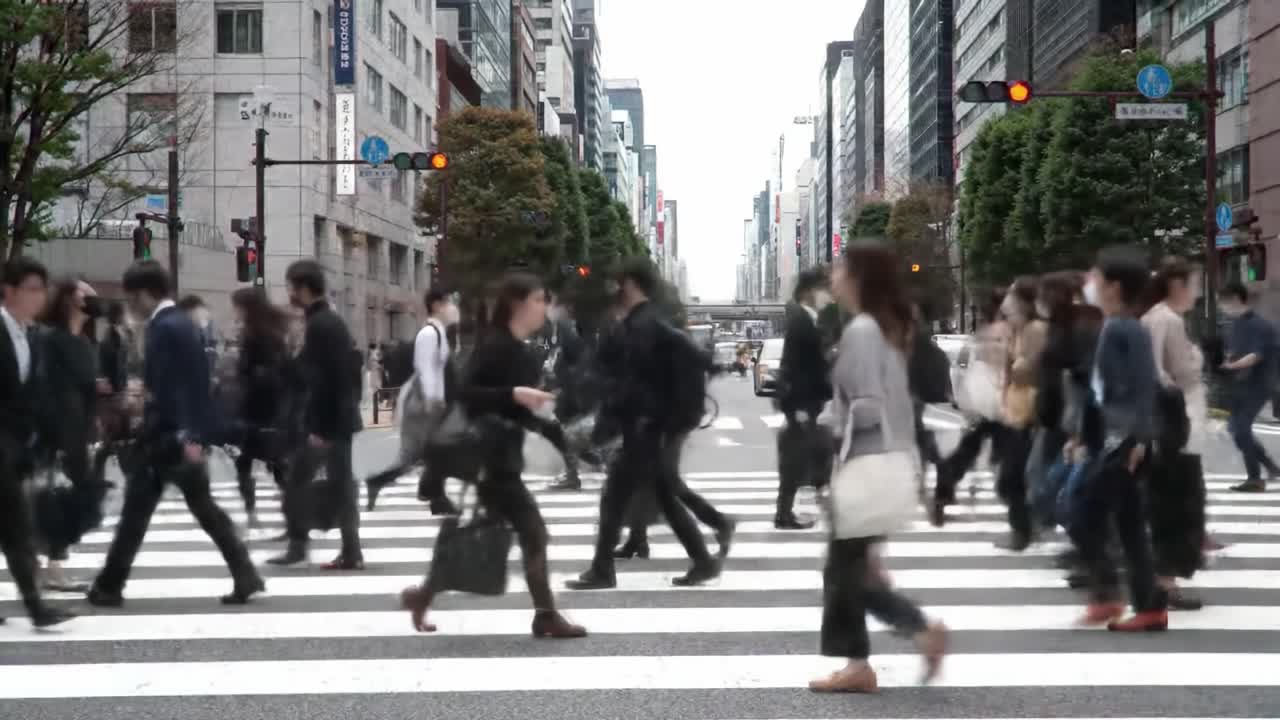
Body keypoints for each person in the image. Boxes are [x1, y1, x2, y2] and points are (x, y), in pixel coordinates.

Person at [400, 272, 586, 639]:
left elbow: (518, 412)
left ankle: (424, 593)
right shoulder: (496, 345)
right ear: (517, 304)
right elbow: (468, 396)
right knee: (533, 533)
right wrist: (513, 394)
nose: (543, 308)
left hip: (500, 458)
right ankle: (545, 615)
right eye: (537, 300)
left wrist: (560, 435)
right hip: (489, 461)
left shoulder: (521, 352)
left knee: (486, 533)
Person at [809, 242, 946, 693]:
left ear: (858, 278)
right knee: (854, 569)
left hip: (866, 462)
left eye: (839, 268)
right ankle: (896, 641)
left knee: (843, 572)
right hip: (888, 461)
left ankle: (871, 658)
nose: (833, 276)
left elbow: (865, 406)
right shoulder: (885, 328)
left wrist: (839, 466)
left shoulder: (864, 331)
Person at [87, 260, 263, 607]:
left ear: (147, 293)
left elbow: (169, 389)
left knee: (138, 514)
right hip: (181, 434)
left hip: (167, 437)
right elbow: (194, 384)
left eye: (133, 297)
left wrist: (165, 427)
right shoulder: (180, 323)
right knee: (198, 509)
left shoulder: (164, 327)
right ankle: (245, 573)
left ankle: (109, 585)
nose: (131, 305)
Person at [567, 258, 730, 590]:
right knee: (664, 496)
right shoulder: (647, 322)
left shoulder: (643, 327)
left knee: (616, 497)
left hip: (645, 428)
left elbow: (635, 383)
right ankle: (702, 559)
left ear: (630, 283)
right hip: (649, 428)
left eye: (617, 282)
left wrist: (614, 411)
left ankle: (603, 569)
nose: (613, 288)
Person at [1071, 246, 1168, 632]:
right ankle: (1146, 606)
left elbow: (1144, 386)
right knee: (1127, 525)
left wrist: (1139, 440)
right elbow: (1102, 390)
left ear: (1112, 286)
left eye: (1095, 277)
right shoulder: (1115, 325)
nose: (1089, 284)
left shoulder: (1126, 327)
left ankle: (1112, 594)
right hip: (1115, 439)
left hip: (1125, 442)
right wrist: (1083, 432)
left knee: (1082, 513)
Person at [269, 259, 364, 569]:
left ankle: (301, 546)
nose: (290, 294)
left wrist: (321, 428)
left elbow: (331, 378)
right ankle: (350, 551)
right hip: (336, 420)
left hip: (329, 423)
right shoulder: (325, 321)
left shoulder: (323, 324)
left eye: (292, 287)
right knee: (340, 485)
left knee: (299, 481)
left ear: (305, 288)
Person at [0, 257, 75, 628]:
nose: (39, 297)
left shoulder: (29, 335)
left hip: (15, 448)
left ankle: (35, 607)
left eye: (42, 290)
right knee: (16, 527)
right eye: (31, 289)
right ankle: (36, 607)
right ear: (9, 291)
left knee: (14, 529)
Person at [33, 278, 106, 592]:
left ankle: (48, 566)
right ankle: (47, 567)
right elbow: (48, 389)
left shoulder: (85, 342)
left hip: (77, 432)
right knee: (55, 501)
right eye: (84, 294)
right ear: (67, 299)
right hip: (55, 432)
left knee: (67, 502)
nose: (91, 298)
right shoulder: (51, 340)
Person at [1141, 258, 1207, 610]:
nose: (1197, 292)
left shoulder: (1153, 317)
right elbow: (1162, 373)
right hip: (1174, 428)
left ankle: (1162, 578)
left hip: (1165, 427)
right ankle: (1165, 583)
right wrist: (1193, 367)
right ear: (1177, 285)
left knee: (1166, 503)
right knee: (1178, 505)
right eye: (1194, 284)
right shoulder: (1166, 319)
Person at [365, 288, 459, 513]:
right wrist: (432, 399)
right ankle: (379, 480)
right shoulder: (429, 334)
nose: (452, 309)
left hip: (430, 402)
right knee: (420, 454)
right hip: (425, 404)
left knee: (433, 452)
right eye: (448, 303)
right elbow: (425, 369)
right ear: (436, 305)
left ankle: (436, 498)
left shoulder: (438, 332)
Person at [229, 287, 293, 529]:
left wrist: (244, 378)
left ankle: (257, 513)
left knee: (252, 463)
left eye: (237, 306)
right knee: (273, 463)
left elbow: (256, 371)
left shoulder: (256, 335)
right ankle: (289, 516)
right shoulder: (270, 332)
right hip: (269, 408)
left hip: (258, 408)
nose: (234, 311)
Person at [774, 267, 832, 529]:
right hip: (802, 403)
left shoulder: (805, 319)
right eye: (824, 289)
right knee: (801, 460)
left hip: (805, 403)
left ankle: (786, 513)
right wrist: (796, 407)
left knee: (805, 458)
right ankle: (785, 514)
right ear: (809, 292)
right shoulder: (801, 321)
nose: (827, 295)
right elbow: (795, 366)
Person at [1219, 281, 1279, 493]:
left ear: (1236, 298)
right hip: (1242, 384)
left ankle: (1255, 478)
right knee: (1235, 429)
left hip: (1259, 384)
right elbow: (1235, 350)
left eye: (1223, 302)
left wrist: (1231, 365)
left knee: (1241, 429)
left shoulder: (1259, 325)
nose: (1221, 307)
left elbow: (1255, 355)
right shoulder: (1236, 324)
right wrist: (1228, 360)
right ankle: (1270, 467)